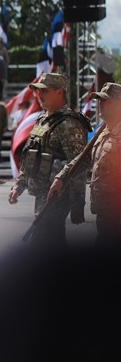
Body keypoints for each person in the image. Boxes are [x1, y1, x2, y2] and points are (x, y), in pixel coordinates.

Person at [8, 73, 90, 246]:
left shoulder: (69, 123)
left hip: (58, 194)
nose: (40, 95)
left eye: (45, 91)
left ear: (59, 92)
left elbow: (80, 161)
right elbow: (30, 155)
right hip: (41, 190)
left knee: (45, 238)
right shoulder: (43, 120)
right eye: (39, 91)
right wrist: (19, 186)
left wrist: (77, 203)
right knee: (49, 240)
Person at [49, 82, 121, 243]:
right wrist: (60, 178)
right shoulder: (103, 132)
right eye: (100, 100)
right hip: (105, 211)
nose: (101, 104)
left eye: (106, 101)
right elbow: (83, 159)